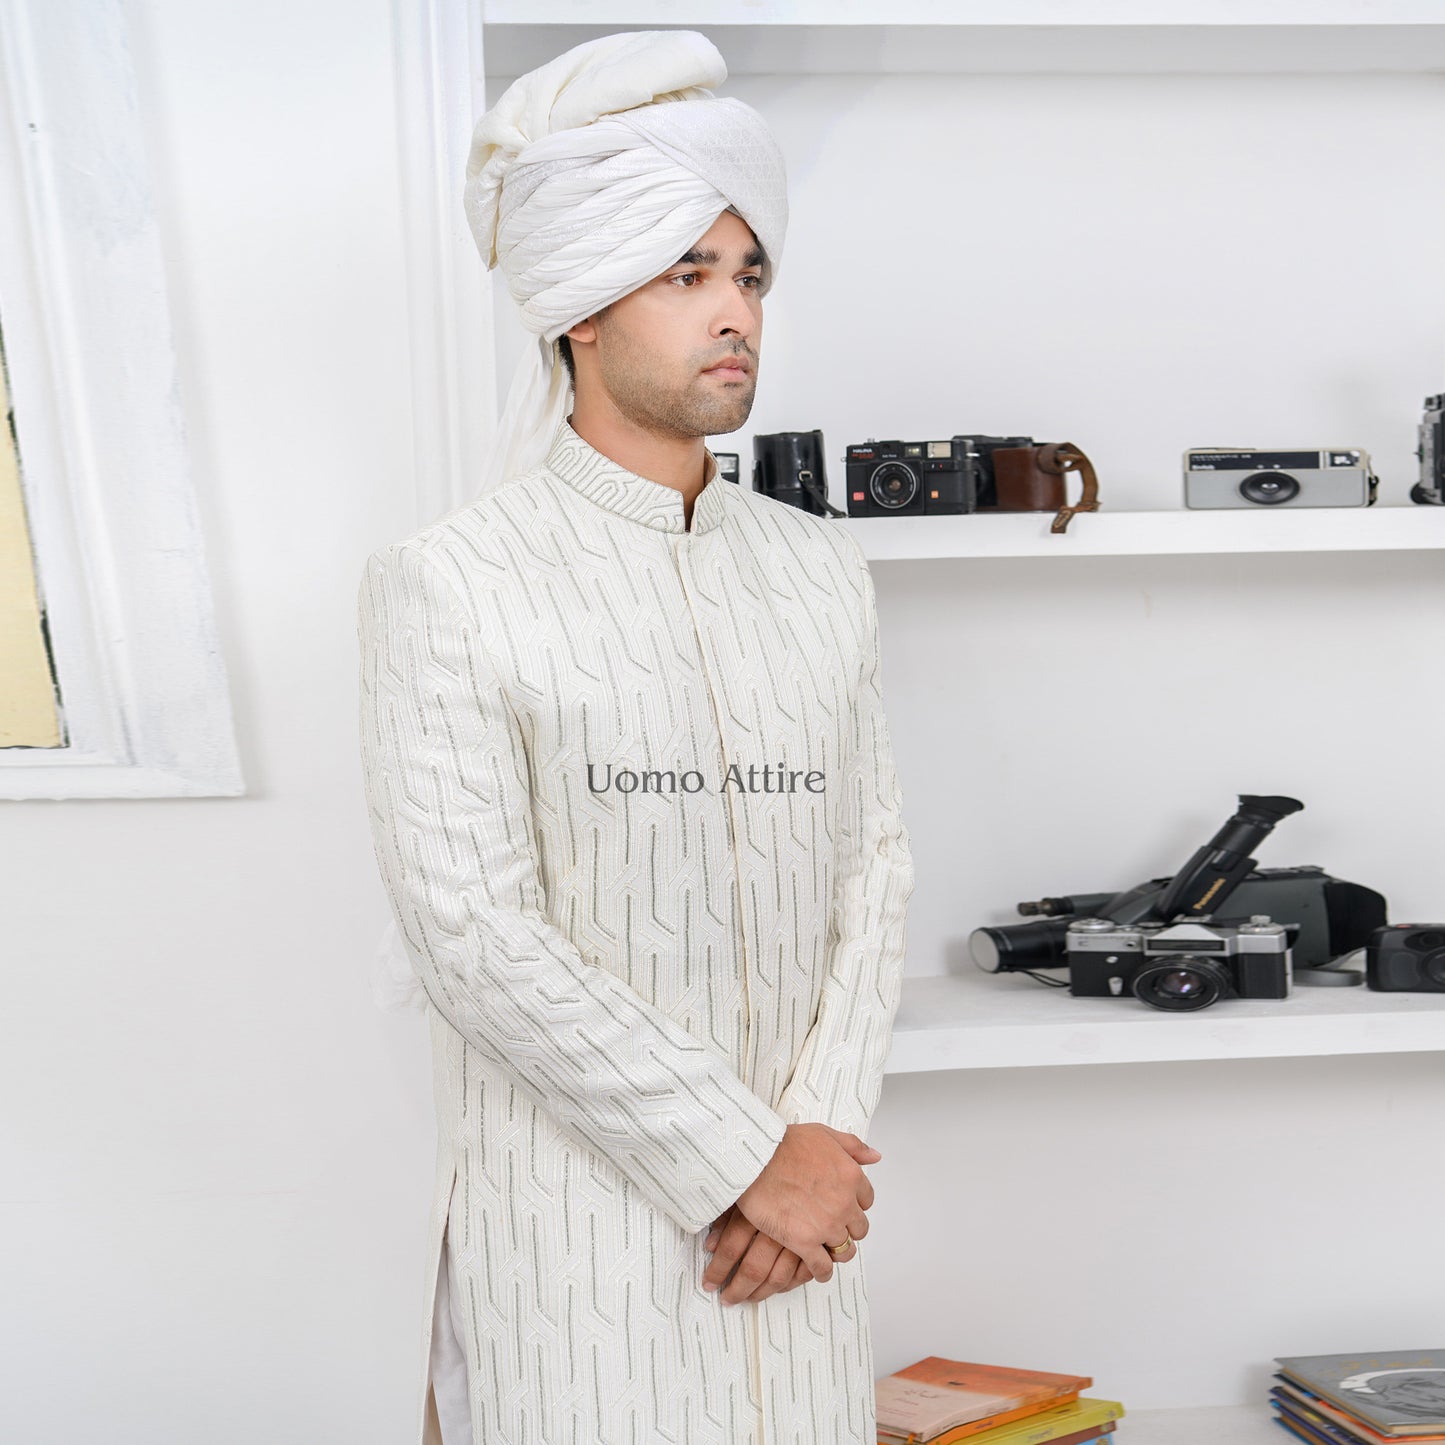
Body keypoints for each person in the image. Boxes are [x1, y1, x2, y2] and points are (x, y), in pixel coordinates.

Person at [356, 29, 914, 1445]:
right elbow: (476, 936)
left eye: (747, 273)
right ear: (578, 312)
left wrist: (820, 1150)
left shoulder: (817, 566)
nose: (734, 311)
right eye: (685, 272)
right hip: (581, 1231)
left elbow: (876, 869)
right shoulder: (450, 578)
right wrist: (739, 1162)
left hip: (801, 1238)